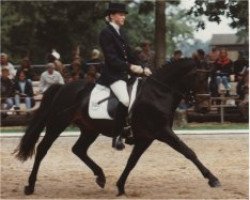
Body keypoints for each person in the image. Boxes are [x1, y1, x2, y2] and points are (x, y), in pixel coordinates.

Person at [98, 2, 152, 150]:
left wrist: (144, 67)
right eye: (121, 14)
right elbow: (111, 58)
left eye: (124, 15)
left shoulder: (122, 33)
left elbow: (131, 54)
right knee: (125, 99)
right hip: (113, 75)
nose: (123, 17)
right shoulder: (106, 33)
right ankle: (117, 136)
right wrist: (130, 67)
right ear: (111, 16)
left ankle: (133, 128)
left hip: (124, 74)